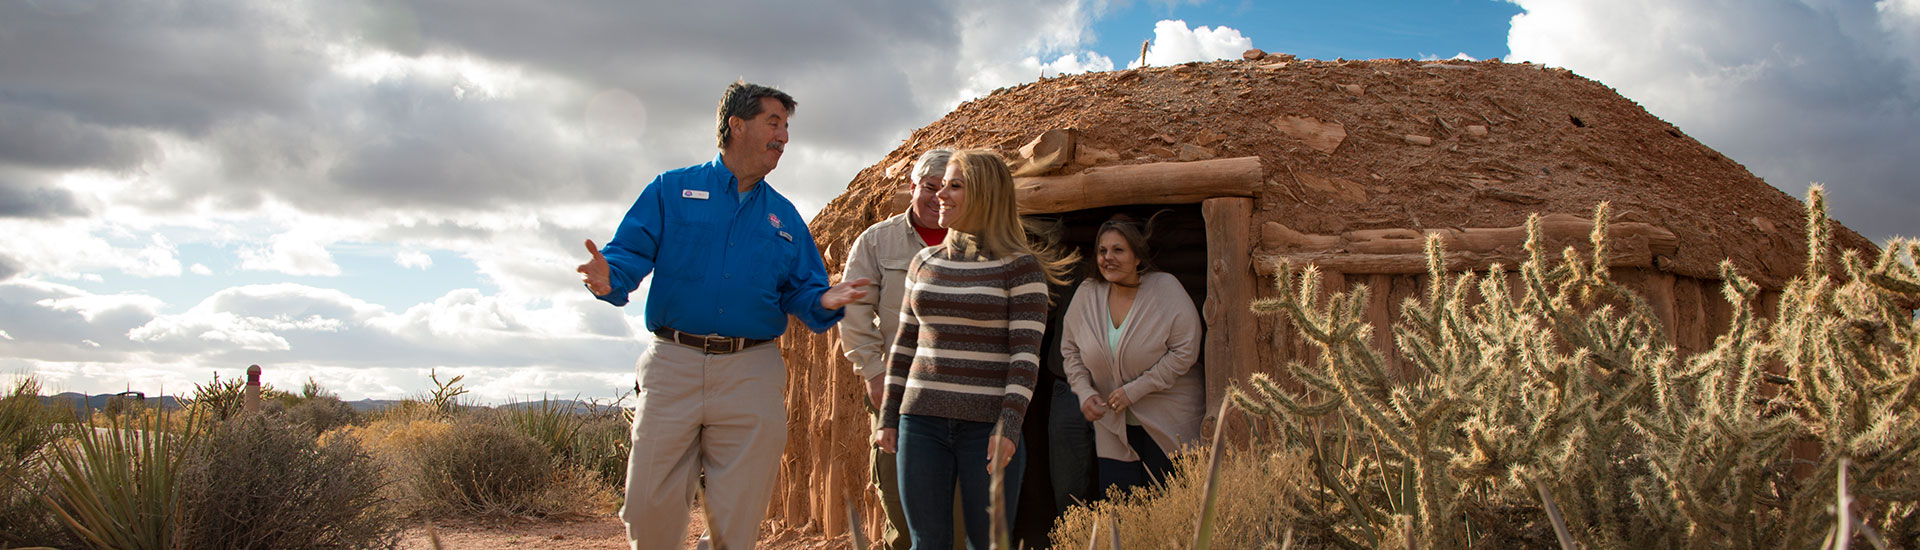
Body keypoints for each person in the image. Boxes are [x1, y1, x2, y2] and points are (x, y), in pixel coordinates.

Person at [576, 80, 872, 550]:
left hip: (751, 372)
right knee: (647, 507)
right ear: (736, 124)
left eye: (786, 127)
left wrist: (825, 300)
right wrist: (609, 276)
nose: (783, 136)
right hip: (673, 364)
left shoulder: (784, 217)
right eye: (773, 123)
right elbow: (629, 253)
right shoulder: (671, 190)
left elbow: (804, 290)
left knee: (736, 520)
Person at [874, 149, 1076, 550]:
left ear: (985, 194)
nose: (940, 195)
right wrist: (889, 415)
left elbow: (1025, 358)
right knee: (926, 542)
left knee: (987, 543)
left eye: (955, 186)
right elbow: (905, 345)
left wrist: (1009, 426)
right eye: (940, 185)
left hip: (985, 428)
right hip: (920, 422)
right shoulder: (924, 262)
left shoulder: (1021, 268)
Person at [837, 148, 960, 550]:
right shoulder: (877, 242)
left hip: (965, 394)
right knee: (901, 499)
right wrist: (874, 374)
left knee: (961, 508)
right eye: (929, 187)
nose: (938, 197)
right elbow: (853, 313)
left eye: (948, 187)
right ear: (912, 186)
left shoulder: (977, 240)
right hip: (900, 393)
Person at [1060, 216, 1204, 495]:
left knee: (1169, 508)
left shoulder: (1165, 289)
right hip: (1113, 426)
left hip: (1169, 421)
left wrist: (1135, 390)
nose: (1108, 258)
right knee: (1121, 507)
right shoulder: (1088, 293)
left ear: (1137, 257)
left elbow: (1185, 351)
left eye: (1118, 250)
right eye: (1102, 251)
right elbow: (1070, 350)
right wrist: (1085, 391)